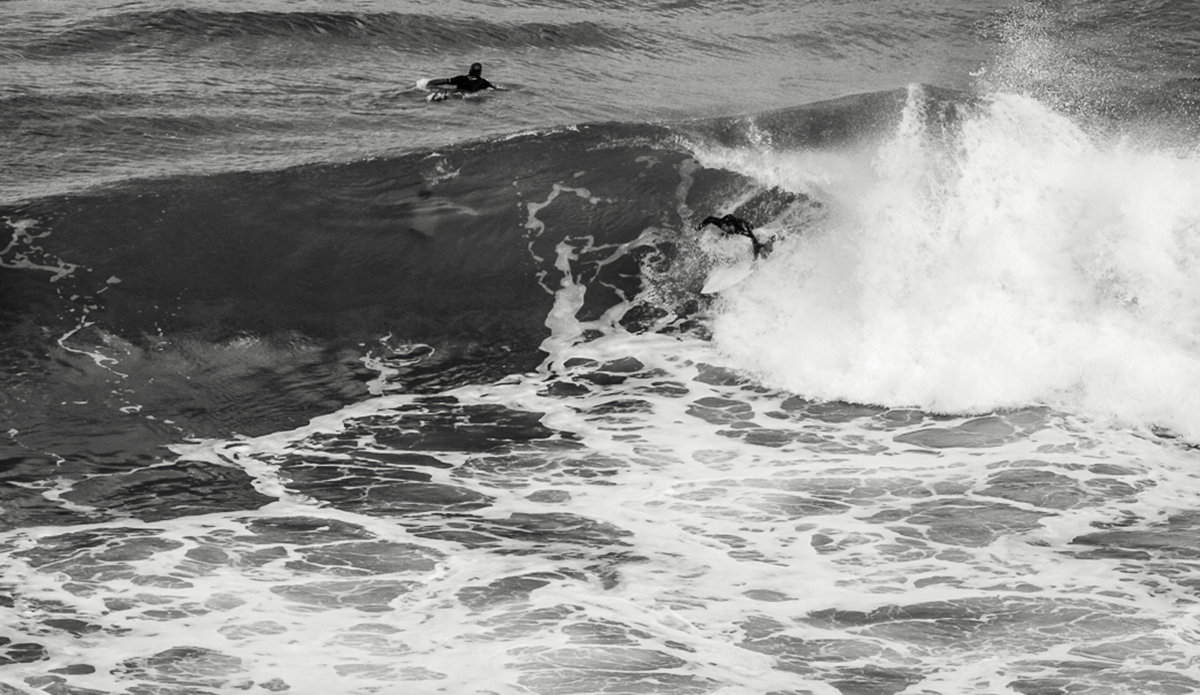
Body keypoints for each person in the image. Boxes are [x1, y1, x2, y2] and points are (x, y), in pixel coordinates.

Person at [697, 214, 767, 258]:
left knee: (753, 238)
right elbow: (710, 219)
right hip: (727, 220)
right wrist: (699, 227)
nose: (729, 230)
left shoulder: (741, 227)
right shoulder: (721, 224)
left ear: (733, 225)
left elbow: (752, 238)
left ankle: (760, 245)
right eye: (726, 229)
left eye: (730, 229)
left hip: (746, 225)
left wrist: (756, 254)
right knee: (724, 236)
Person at [423, 63, 495, 94]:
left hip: (457, 93)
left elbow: (445, 81)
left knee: (447, 91)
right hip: (470, 96)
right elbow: (495, 89)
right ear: (480, 72)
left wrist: (430, 82)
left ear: (470, 70)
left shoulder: (461, 78)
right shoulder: (484, 82)